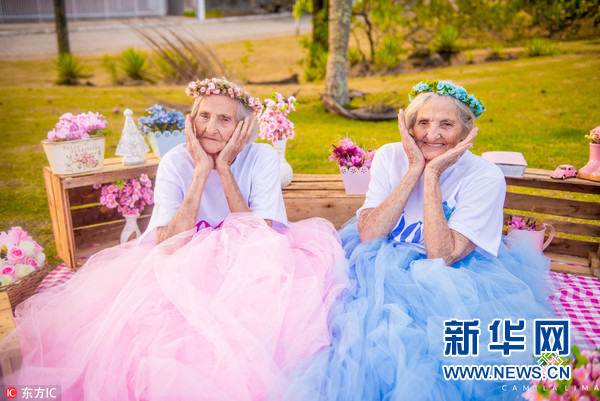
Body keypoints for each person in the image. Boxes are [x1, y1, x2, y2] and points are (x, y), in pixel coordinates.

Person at [4, 78, 345, 400]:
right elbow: (167, 242)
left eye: (224, 119)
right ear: (190, 121)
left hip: (250, 260)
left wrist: (224, 168)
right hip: (184, 256)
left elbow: (261, 237)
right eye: (204, 116)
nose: (210, 128)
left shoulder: (262, 157)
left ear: (244, 128)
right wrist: (201, 172)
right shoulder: (175, 161)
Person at [286, 80, 554, 401]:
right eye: (423, 122)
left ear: (467, 131)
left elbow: (442, 256)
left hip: (453, 277)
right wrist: (415, 167)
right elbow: (370, 233)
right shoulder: (390, 156)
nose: (431, 134)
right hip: (378, 264)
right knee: (336, 332)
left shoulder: (485, 176)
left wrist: (433, 174)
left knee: (434, 354)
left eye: (446, 125)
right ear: (409, 127)